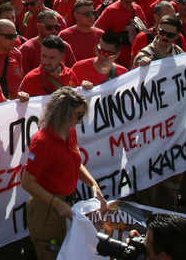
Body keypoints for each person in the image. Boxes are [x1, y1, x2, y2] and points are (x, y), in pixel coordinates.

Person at [20, 87, 107, 258]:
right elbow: (27, 182)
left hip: (65, 206)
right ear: (62, 113)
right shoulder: (42, 141)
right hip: (47, 211)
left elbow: (76, 163)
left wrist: (93, 184)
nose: (81, 120)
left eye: (82, 114)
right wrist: (56, 203)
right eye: (78, 114)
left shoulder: (70, 131)